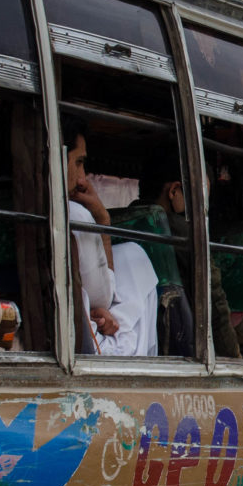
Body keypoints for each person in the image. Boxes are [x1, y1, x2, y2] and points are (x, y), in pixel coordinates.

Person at [65, 123, 158, 357]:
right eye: (78, 162)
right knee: (133, 255)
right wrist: (102, 220)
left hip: (88, 328)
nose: (82, 179)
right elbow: (104, 296)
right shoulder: (75, 215)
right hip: (97, 349)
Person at [159, 164, 241, 358]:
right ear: (174, 191)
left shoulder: (117, 224)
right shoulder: (188, 236)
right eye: (200, 203)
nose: (201, 215)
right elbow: (215, 305)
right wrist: (235, 357)